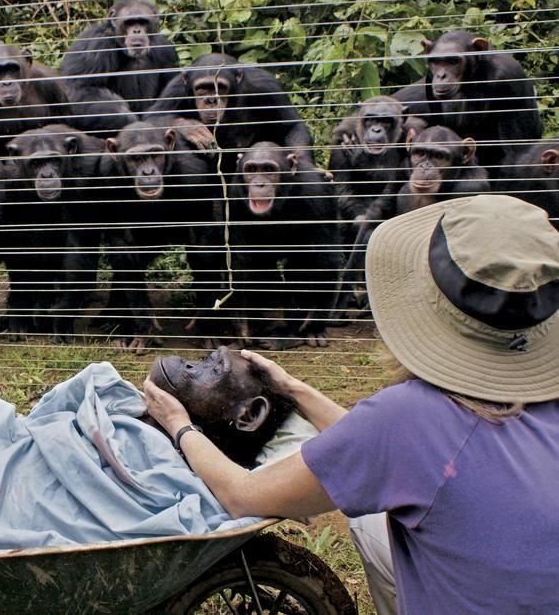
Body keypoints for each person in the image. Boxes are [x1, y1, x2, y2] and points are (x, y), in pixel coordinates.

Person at [144, 193, 559, 614]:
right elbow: (393, 454)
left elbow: (243, 495)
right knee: (368, 514)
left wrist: (180, 424)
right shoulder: (425, 422)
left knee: (366, 515)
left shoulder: (406, 416)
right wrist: (294, 388)